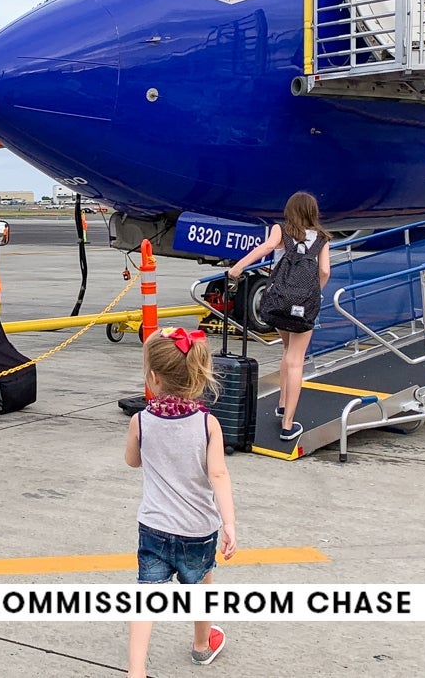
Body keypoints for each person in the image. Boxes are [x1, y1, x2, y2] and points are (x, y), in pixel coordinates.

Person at [123, 326, 237, 677]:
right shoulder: (207, 424)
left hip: (154, 526)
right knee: (201, 587)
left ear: (154, 377)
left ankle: (136, 670)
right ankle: (202, 646)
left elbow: (132, 461)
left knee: (146, 596)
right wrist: (229, 524)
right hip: (197, 529)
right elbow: (218, 475)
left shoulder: (140, 421)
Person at [227, 191, 331, 443]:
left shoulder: (281, 230)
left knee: (286, 350)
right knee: (296, 360)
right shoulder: (322, 238)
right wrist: (312, 294)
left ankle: (282, 404)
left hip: (280, 303)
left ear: (289, 210)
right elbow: (325, 271)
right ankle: (287, 425)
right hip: (303, 307)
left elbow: (266, 247)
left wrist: (238, 267)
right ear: (313, 212)